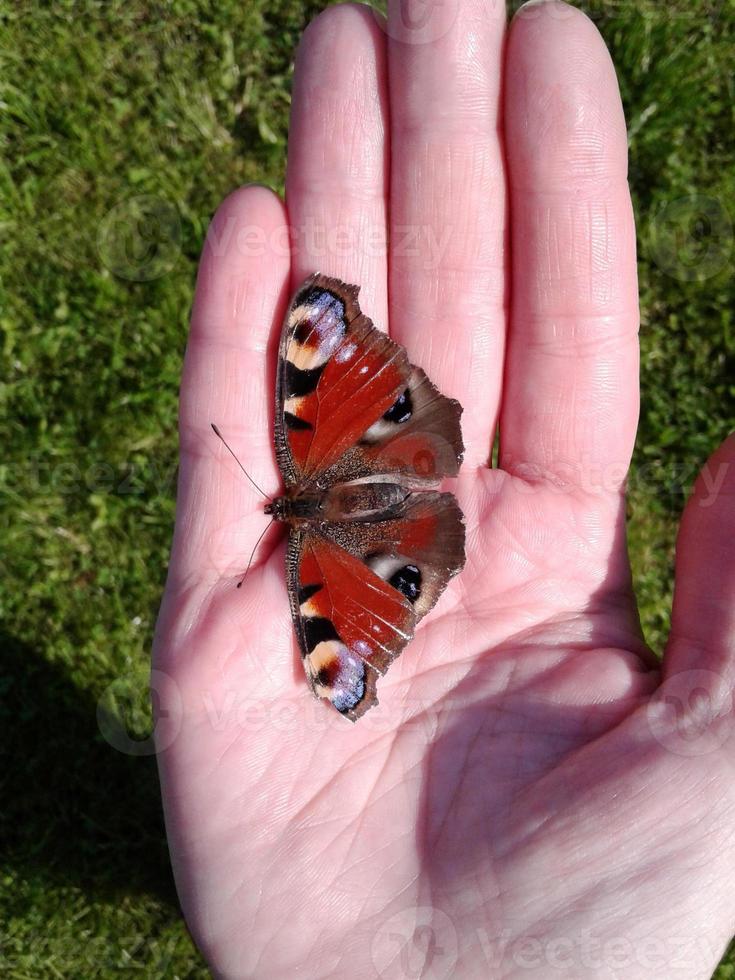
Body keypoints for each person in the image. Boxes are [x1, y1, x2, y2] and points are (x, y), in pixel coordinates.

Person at [153, 1, 735, 976]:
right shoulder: (311, 474)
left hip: (385, 546)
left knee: (348, 581)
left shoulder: (311, 567)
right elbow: (322, 347)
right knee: (327, 401)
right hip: (388, 456)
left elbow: (339, 649)